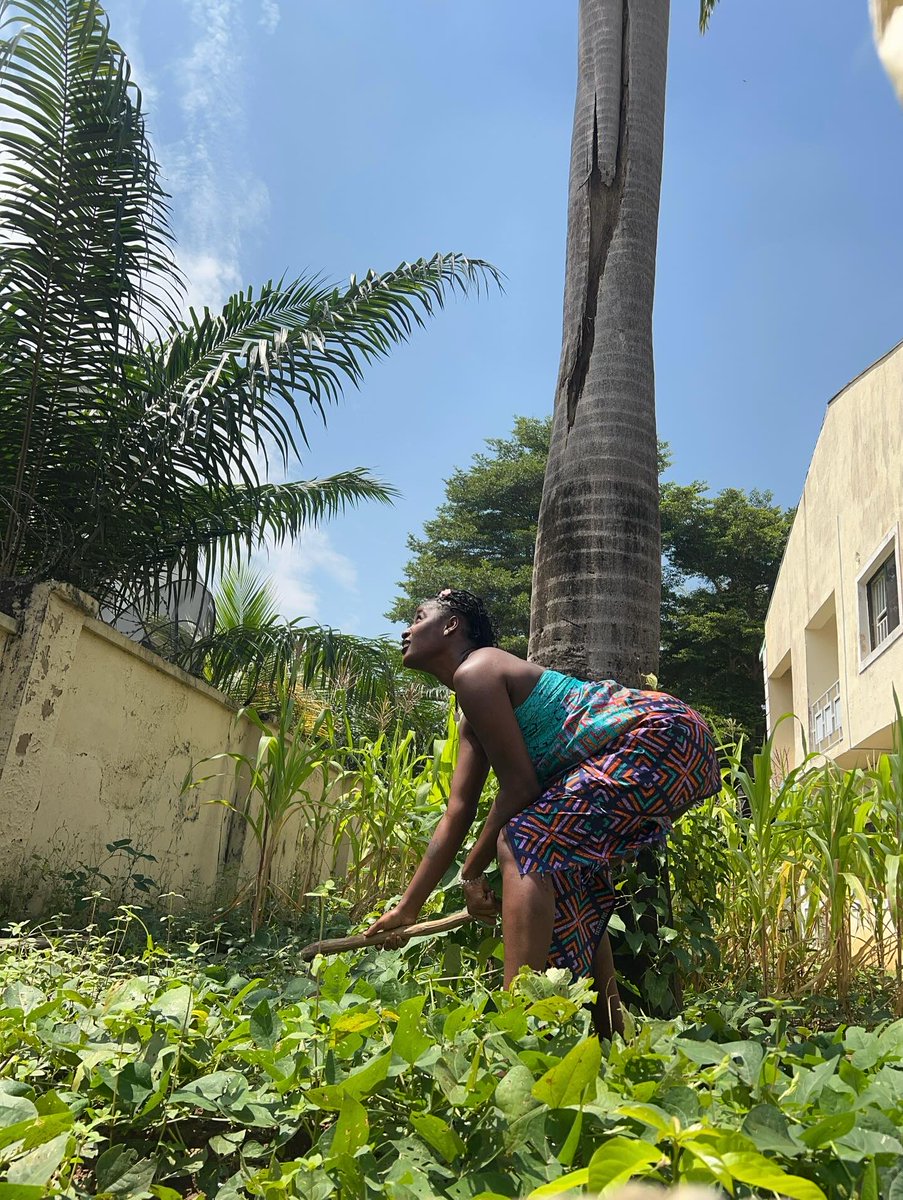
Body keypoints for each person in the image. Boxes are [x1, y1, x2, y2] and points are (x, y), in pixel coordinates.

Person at [365, 588, 721, 1036]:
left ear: (451, 625)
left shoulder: (477, 670)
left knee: (521, 839)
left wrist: (472, 875)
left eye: (418, 617)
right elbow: (457, 812)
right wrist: (407, 910)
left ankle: (515, 1029)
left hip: (658, 735)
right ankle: (612, 1034)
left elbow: (520, 787)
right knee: (572, 881)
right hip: (676, 747)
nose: (406, 629)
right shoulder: (470, 706)